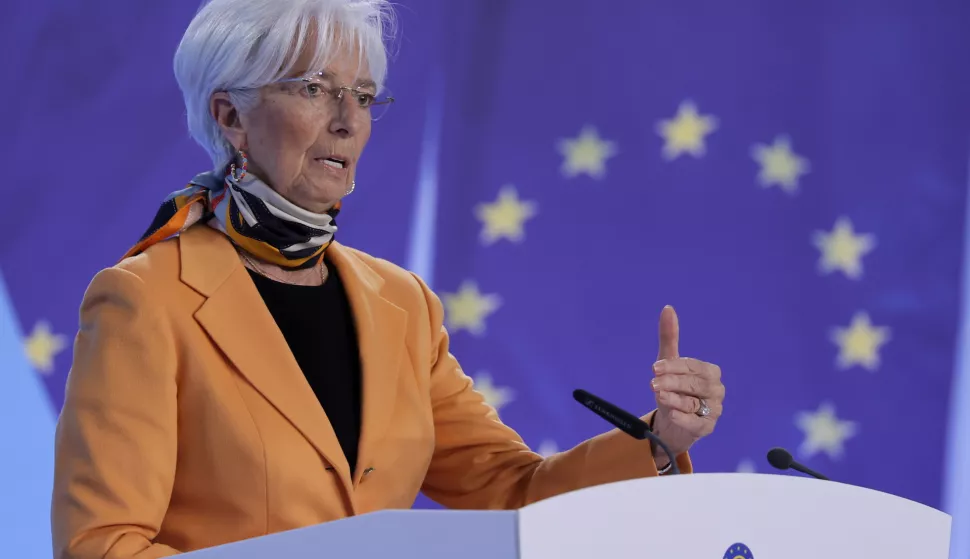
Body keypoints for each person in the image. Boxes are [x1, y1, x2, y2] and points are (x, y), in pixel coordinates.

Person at [50, 0, 726, 557]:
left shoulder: (402, 304)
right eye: (315, 89)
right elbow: (102, 544)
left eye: (364, 96)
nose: (348, 121)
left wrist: (661, 441)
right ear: (230, 116)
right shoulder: (145, 298)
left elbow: (514, 494)